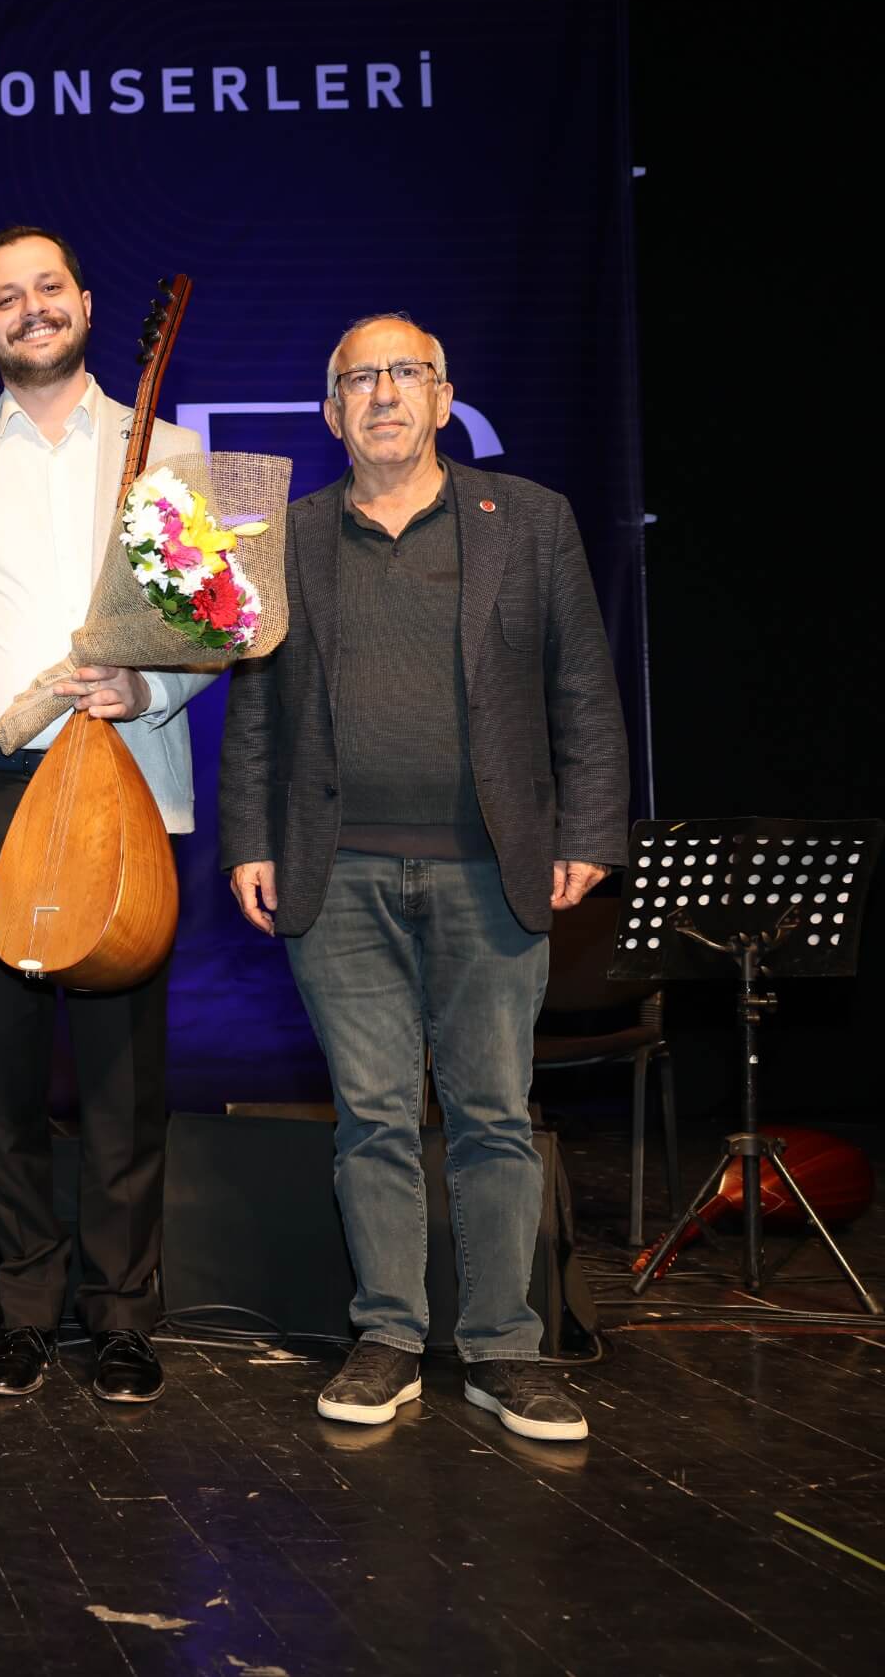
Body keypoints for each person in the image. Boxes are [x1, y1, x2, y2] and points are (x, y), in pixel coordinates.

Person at [221, 313, 627, 1442]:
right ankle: (388, 1338)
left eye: (407, 373)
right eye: (360, 378)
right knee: (372, 1117)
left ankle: (505, 1348)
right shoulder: (288, 536)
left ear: (445, 399)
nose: (384, 393)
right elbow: (255, 706)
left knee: (495, 1116)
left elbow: (583, 691)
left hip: (491, 872)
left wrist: (590, 830)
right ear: (330, 413)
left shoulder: (529, 520)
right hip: (336, 872)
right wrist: (248, 838)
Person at [0, 226, 211, 1406]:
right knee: (3, 1069)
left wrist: (149, 686)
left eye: (48, 288)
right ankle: (25, 1306)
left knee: (124, 1072)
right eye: (5, 299)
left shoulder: (168, 449)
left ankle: (122, 1314)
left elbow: (209, 625)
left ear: (83, 301)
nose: (31, 309)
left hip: (118, 775)